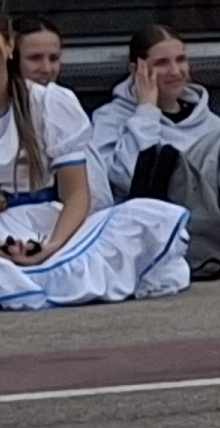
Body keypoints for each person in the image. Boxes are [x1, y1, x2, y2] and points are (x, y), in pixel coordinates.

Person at [85, 25, 220, 278]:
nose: (175, 71)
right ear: (136, 70)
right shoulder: (111, 116)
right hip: (170, 210)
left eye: (181, 60)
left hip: (218, 209)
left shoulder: (204, 115)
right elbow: (129, 178)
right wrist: (146, 110)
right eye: (162, 63)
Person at [0, 19, 192, 307]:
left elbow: (77, 193)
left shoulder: (50, 101)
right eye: (37, 57)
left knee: (140, 218)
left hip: (49, 223)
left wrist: (52, 246)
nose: (46, 66)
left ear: (8, 44)